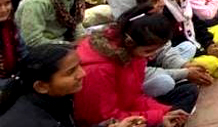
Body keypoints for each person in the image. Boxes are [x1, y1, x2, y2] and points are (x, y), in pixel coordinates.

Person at [73, 6, 193, 127]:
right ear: (129, 42)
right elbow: (104, 119)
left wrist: (165, 112)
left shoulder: (132, 54)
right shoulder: (98, 70)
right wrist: (157, 118)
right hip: (108, 122)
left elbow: (134, 98)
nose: (151, 57)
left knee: (188, 92)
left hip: (123, 113)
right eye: (148, 51)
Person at [106, 0, 211, 99]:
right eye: (155, 1)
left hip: (151, 67)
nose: (162, 3)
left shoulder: (154, 20)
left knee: (188, 47)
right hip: (136, 80)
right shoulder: (126, 34)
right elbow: (141, 71)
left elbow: (164, 50)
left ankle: (174, 77)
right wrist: (184, 73)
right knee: (164, 82)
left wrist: (185, 66)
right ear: (136, 6)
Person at [0, 43, 151, 127]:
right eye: (70, 72)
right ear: (41, 86)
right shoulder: (26, 121)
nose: (82, 74)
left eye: (79, 66)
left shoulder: (60, 100)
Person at [0, 0, 24, 86]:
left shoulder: (10, 26)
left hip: (14, 74)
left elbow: (24, 52)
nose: (4, 9)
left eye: (7, 3)